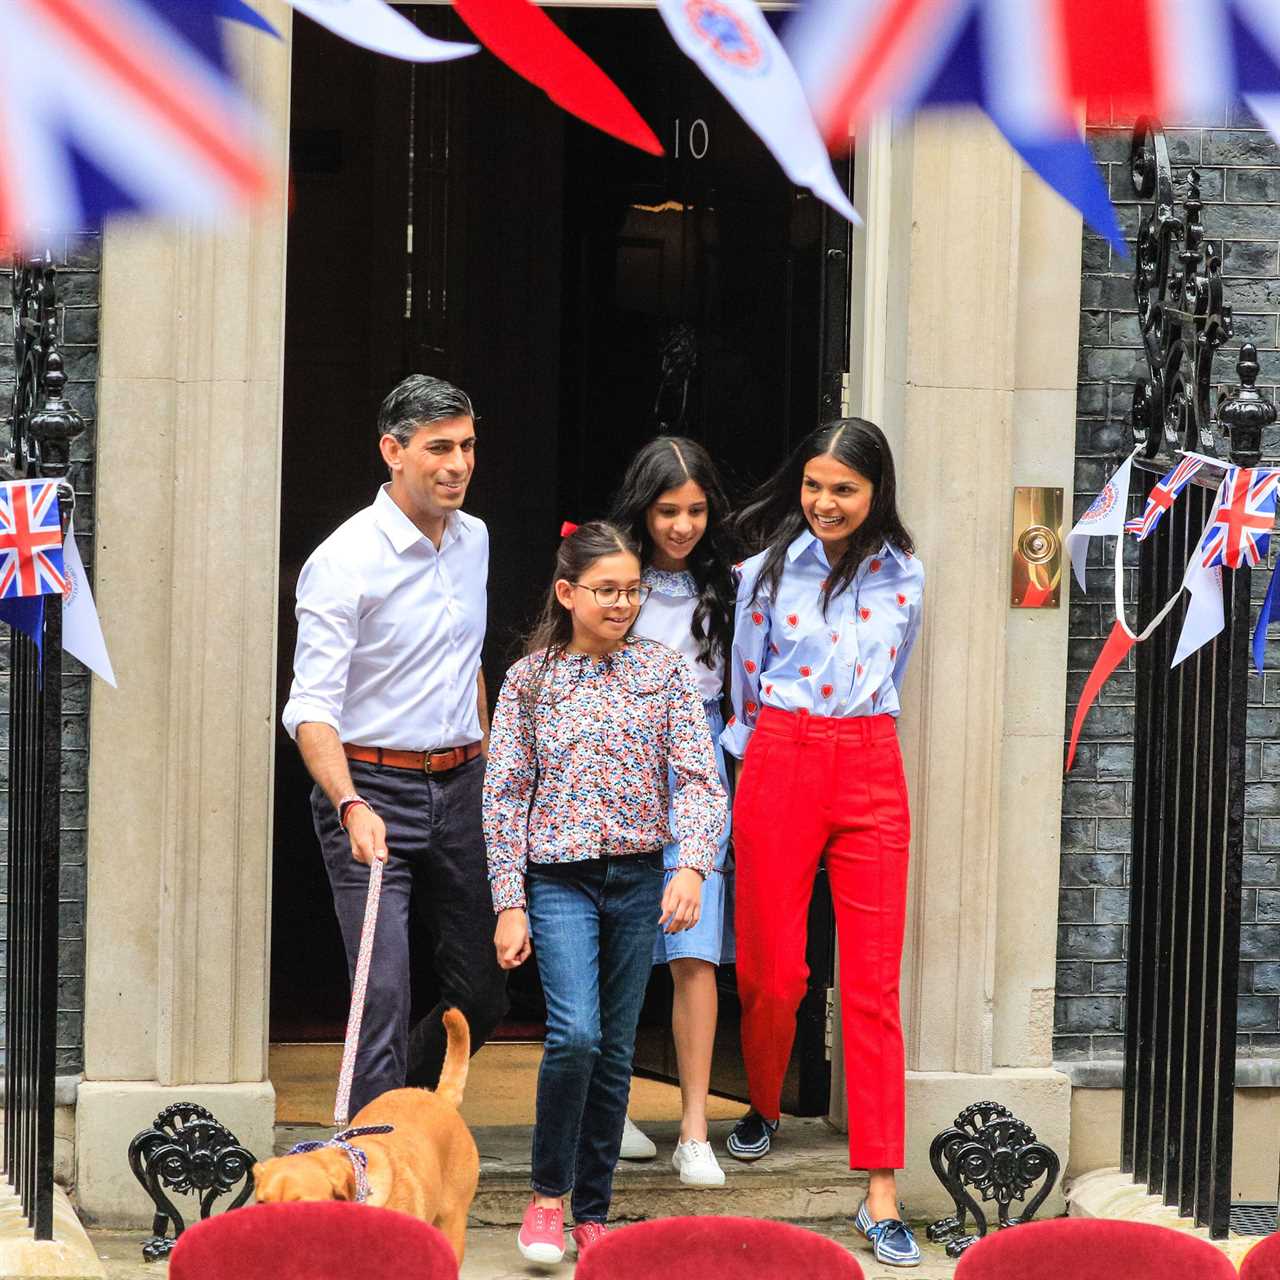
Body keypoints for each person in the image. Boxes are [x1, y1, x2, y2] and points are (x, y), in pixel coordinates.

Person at [483, 522, 727, 1265]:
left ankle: (593, 1207)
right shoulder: (531, 681)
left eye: (632, 591)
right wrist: (508, 899)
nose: (622, 604)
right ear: (568, 593)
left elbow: (698, 779)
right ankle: (546, 1197)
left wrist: (692, 867)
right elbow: (503, 796)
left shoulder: (664, 671)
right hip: (558, 879)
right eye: (606, 590)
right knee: (576, 1034)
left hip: (638, 877)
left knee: (617, 1048)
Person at [721, 419, 925, 1269]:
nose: (824, 503)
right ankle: (764, 1102)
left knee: (872, 986)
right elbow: (742, 680)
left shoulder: (906, 574)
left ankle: (879, 1186)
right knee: (775, 972)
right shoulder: (763, 574)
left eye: (843, 488)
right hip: (780, 755)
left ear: (875, 492)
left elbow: (896, 670)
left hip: (871, 761)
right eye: (814, 486)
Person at [281, 374, 508, 1117]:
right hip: (372, 793)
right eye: (438, 447)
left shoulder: (474, 540)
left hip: (464, 786)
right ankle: (373, 1167)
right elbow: (311, 708)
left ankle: (401, 1115)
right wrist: (348, 804)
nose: (458, 463)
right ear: (393, 451)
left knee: (483, 988)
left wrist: (492, 762)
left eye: (468, 445)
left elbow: (466, 661)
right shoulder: (345, 560)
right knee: (380, 993)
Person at [607, 437, 736, 1188]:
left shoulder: (733, 584)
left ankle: (694, 1130)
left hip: (700, 773)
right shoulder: (617, 577)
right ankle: (612, 1104)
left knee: (696, 952)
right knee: (617, 943)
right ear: (642, 508)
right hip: (621, 770)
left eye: (694, 510)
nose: (682, 525)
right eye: (666, 511)